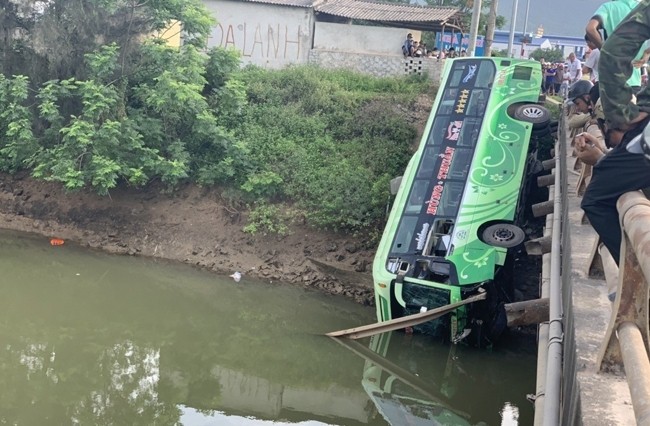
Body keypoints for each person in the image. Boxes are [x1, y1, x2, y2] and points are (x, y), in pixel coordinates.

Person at [578, 0, 650, 266]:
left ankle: (636, 275)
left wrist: (623, 115)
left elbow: (609, 54)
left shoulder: (618, 7)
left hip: (625, 100)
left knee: (595, 198)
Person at [585, 0, 644, 89]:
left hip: (611, 78)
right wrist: (645, 55)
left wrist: (605, 50)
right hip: (634, 79)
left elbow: (590, 29)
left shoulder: (608, 7)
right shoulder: (642, 9)